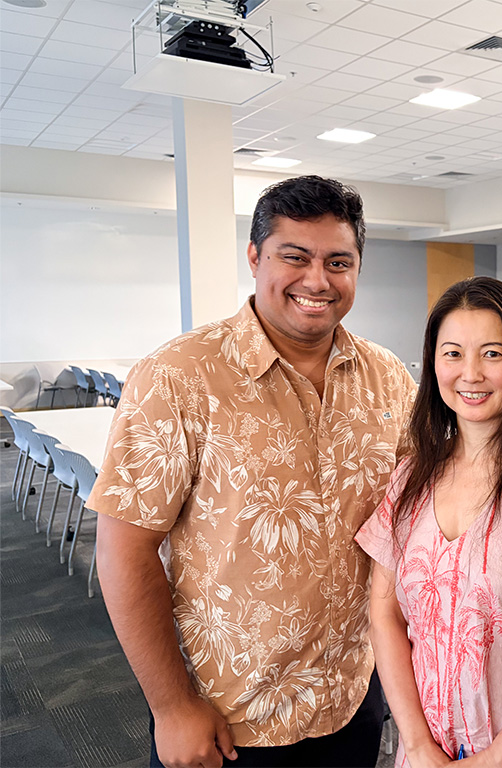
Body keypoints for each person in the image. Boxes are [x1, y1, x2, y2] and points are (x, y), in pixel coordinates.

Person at [90, 175, 416, 768]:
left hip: (351, 696)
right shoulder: (179, 377)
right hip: (229, 717)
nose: (318, 281)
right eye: (294, 257)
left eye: (338, 262)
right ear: (254, 257)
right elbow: (123, 551)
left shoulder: (388, 378)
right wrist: (170, 705)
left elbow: (420, 507)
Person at [356, 277, 502, 768]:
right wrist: (416, 744)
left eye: (492, 354)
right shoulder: (410, 477)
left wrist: (498, 758)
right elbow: (384, 614)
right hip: (427, 756)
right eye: (453, 353)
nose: (471, 374)